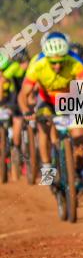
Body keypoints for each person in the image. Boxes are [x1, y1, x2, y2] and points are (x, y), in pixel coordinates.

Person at [18, 33, 83, 192]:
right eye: (53, 63)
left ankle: (79, 168)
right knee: (43, 128)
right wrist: (26, 111)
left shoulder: (74, 62)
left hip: (71, 100)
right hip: (47, 102)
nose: (57, 66)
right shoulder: (37, 65)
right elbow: (23, 94)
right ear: (46, 57)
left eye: (60, 62)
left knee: (82, 137)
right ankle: (47, 169)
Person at [0, 50, 28, 180]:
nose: (25, 64)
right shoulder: (14, 67)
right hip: (14, 102)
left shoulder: (15, 67)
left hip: (17, 102)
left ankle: (16, 150)